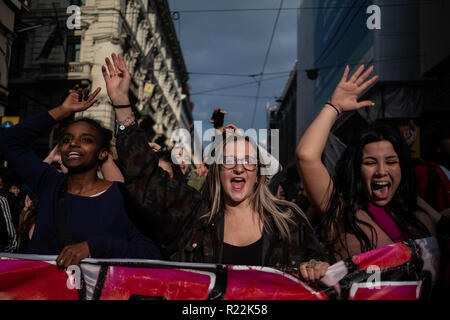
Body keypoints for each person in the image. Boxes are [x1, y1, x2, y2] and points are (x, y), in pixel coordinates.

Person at [101, 53, 329, 282]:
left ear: (259, 174)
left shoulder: (288, 221)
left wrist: (315, 266)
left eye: (248, 162)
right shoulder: (192, 216)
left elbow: (318, 265)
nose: (239, 169)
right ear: (217, 171)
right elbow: (144, 175)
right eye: (230, 160)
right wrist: (121, 102)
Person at [0, 85, 161, 269]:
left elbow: (150, 252)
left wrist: (93, 247)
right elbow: (9, 140)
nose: (73, 144)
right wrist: (63, 110)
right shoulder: (49, 182)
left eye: (86, 140)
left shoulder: (122, 197)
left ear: (102, 153)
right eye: (67, 140)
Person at [295, 65, 446, 261]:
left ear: (402, 168)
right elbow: (306, 156)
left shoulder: (422, 220)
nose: (381, 171)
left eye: (391, 162)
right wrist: (334, 107)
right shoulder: (341, 214)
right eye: (370, 162)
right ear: (356, 169)